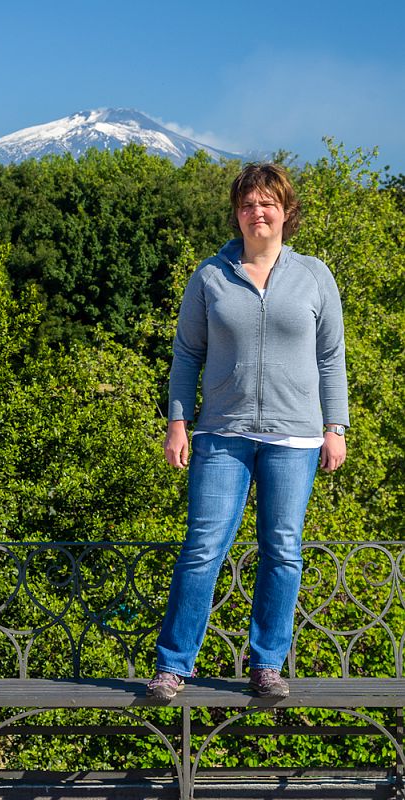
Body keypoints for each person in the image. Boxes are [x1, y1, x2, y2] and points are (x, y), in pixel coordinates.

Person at [147, 163, 349, 701]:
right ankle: (173, 665)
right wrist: (177, 422)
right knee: (203, 546)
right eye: (247, 204)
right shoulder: (209, 276)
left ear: (286, 211)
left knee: (282, 549)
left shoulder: (314, 276)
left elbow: (331, 357)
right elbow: (187, 355)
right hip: (222, 434)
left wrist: (335, 426)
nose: (257, 212)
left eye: (267, 203)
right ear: (237, 214)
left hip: (295, 438)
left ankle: (267, 666)